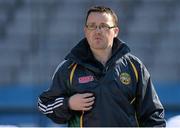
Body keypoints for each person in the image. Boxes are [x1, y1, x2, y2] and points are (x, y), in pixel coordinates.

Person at [38, 6, 166, 127]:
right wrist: (69, 103)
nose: (97, 31)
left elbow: (153, 115)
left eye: (103, 26)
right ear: (85, 31)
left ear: (115, 31)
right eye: (92, 26)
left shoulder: (134, 67)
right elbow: (44, 104)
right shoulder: (69, 68)